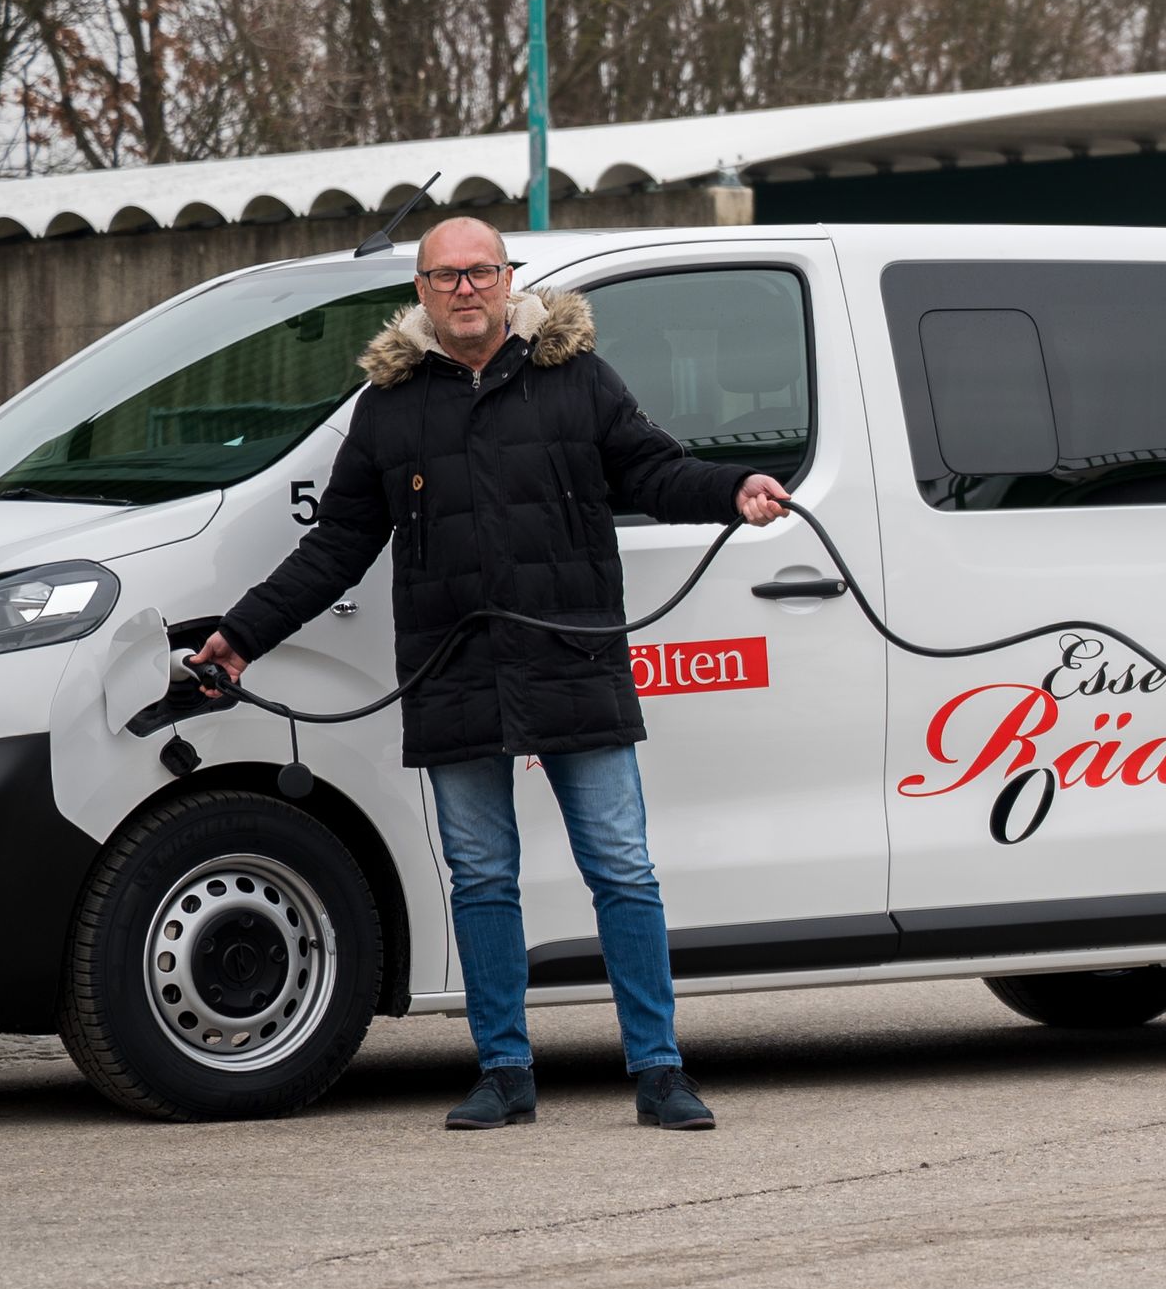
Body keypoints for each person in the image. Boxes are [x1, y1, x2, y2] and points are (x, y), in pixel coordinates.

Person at [195, 216, 792, 1134]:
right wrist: (243, 637)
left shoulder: (576, 377)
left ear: (508, 279)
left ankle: (660, 1068)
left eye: (481, 272)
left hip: (572, 657)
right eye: (446, 276)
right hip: (453, 667)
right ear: (423, 291)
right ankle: (504, 1070)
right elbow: (339, 544)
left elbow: (656, 471)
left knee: (622, 868)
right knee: (479, 876)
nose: (465, 289)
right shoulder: (390, 405)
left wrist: (734, 488)